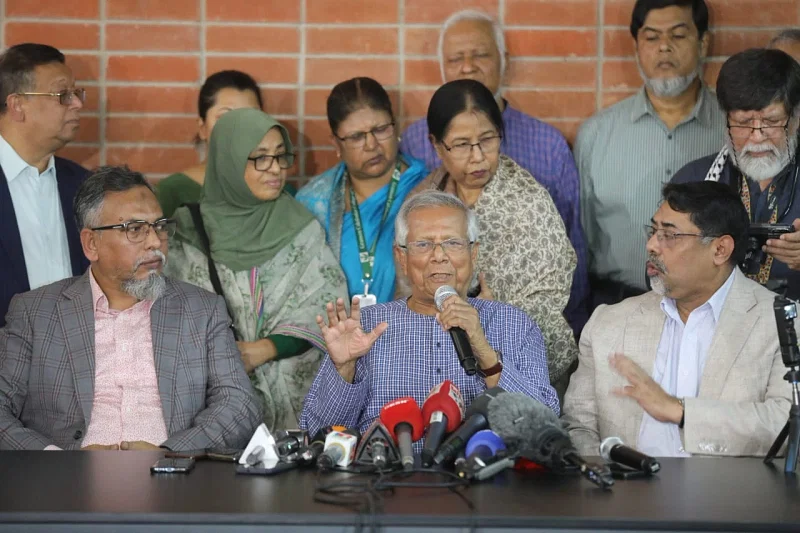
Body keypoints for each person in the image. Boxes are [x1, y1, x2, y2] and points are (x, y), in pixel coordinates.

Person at [0, 166, 261, 451]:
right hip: (65, 485)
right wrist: (59, 460)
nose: (155, 242)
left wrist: (171, 453)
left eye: (160, 226)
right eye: (135, 229)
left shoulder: (202, 310)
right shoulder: (35, 313)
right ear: (91, 243)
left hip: (173, 483)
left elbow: (239, 404)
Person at [299, 190, 558, 443]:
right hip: (386, 480)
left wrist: (487, 355)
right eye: (423, 244)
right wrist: (344, 369)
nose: (439, 256)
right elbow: (317, 434)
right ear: (402, 257)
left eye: (453, 243)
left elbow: (546, 429)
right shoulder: (366, 326)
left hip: (484, 478)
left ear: (473, 253)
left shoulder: (514, 324)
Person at [562, 181, 791, 457]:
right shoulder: (608, 324)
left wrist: (681, 412)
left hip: (731, 498)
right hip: (627, 494)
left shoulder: (781, 322)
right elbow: (578, 427)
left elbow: (787, 426)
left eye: (669, 235)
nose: (651, 245)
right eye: (653, 231)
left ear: (720, 250)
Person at [399, 9, 589, 335]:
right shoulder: (417, 149)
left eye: (480, 55)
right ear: (438, 146)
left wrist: (493, 317)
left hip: (519, 344)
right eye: (457, 58)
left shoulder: (544, 151)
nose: (468, 66)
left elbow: (569, 257)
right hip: (431, 340)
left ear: (504, 60)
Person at [166, 108, 348, 431]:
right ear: (229, 162)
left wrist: (263, 349)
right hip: (213, 410)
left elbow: (328, 306)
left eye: (280, 156)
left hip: (298, 412)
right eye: (260, 158)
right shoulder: (186, 232)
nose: (275, 169)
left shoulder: (301, 227)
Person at [410, 79, 578, 397]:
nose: (478, 157)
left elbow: (547, 302)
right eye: (461, 145)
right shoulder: (426, 195)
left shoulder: (528, 202)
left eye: (487, 140)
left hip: (517, 376)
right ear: (435, 144)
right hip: (435, 368)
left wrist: (491, 317)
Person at [576, 0, 726, 309]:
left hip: (709, 308)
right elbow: (581, 238)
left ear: (703, 43)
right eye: (652, 37)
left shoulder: (731, 130)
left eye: (678, 35)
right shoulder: (595, 134)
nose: (664, 48)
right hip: (615, 305)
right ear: (636, 47)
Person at [672, 49, 800, 300]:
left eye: (771, 122)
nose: (757, 136)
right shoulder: (695, 180)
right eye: (742, 123)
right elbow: (655, 271)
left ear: (796, 117)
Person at [296, 77, 428, 305]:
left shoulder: (427, 187)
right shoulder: (315, 201)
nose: (371, 144)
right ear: (336, 144)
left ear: (395, 126)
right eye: (357, 136)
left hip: (412, 333)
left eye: (380, 129)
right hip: (335, 335)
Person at [0, 43, 89, 328]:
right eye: (62, 95)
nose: (77, 104)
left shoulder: (84, 185)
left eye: (76, 93)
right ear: (17, 105)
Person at [155, 70, 297, 218]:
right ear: (202, 127)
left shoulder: (277, 188)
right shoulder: (170, 193)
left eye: (251, 117)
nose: (239, 128)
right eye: (225, 117)